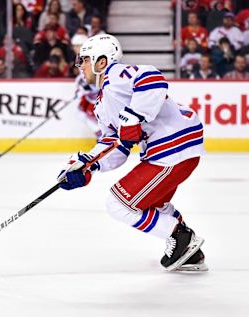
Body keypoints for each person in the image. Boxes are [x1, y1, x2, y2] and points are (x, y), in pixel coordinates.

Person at [58, 34, 207, 272]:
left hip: (172, 144)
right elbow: (116, 144)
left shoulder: (116, 75)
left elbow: (152, 78)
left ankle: (180, 237)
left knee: (118, 204)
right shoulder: (102, 103)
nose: (80, 65)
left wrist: (133, 117)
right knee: (153, 205)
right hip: (170, 148)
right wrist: (86, 165)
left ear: (102, 61)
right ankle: (189, 252)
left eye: (85, 59)